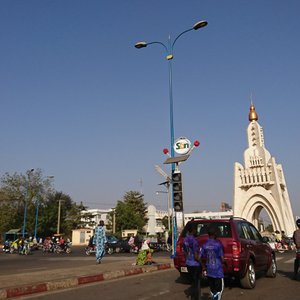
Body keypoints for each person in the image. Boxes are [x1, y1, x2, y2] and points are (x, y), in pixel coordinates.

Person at [200, 224, 226, 300]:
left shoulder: (204, 245)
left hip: (209, 271)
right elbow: (222, 258)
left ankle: (214, 297)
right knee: (219, 291)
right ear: (215, 234)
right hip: (218, 271)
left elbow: (199, 257)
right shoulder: (218, 244)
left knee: (212, 290)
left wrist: (203, 267)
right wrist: (225, 263)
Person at [183, 222, 201, 300]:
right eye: (196, 229)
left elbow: (186, 253)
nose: (197, 231)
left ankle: (193, 296)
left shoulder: (185, 240)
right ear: (193, 230)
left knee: (192, 282)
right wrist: (202, 264)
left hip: (188, 263)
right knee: (196, 283)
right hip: (195, 264)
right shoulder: (194, 241)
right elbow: (196, 256)